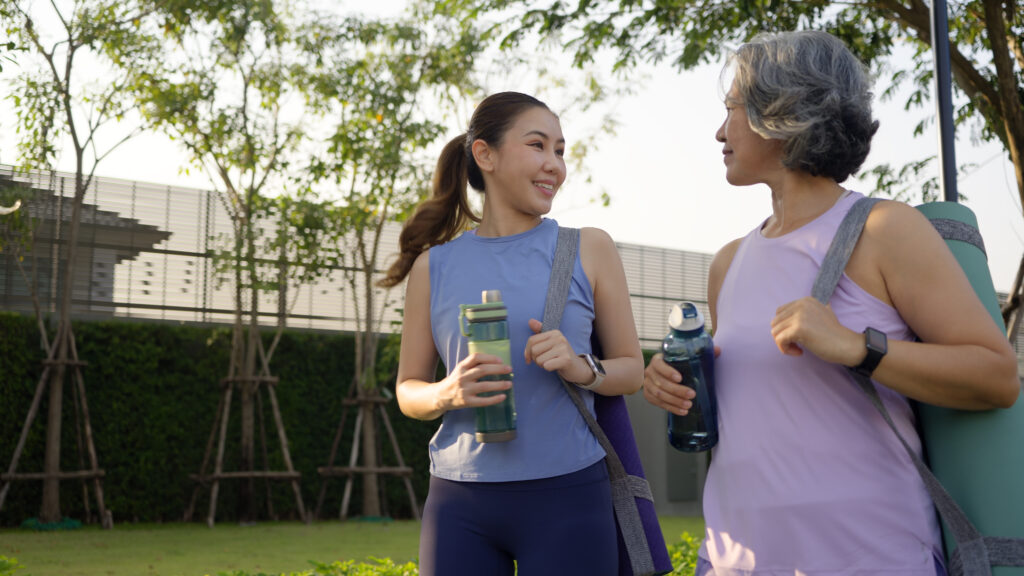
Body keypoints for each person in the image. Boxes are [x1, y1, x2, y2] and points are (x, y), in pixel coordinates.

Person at [641, 30, 1020, 576]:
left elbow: (996, 376)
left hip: (870, 559)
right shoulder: (727, 263)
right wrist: (675, 385)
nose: (720, 131)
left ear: (783, 113)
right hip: (733, 561)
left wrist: (857, 346)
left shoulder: (884, 229)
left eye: (732, 109)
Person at [379, 91, 645, 576]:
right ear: (486, 155)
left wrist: (580, 367)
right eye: (538, 145)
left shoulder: (589, 248)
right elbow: (407, 390)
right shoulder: (432, 267)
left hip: (569, 494)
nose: (554, 165)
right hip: (459, 501)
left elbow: (632, 370)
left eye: (559, 150)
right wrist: (446, 392)